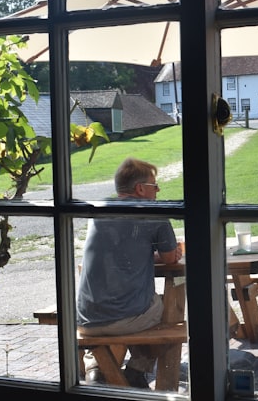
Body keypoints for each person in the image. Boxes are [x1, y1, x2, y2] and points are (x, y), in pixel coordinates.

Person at [76, 157, 181, 388]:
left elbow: (119, 252)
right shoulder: (154, 212)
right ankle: (138, 369)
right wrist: (175, 250)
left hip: (85, 318)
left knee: (136, 302)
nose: (158, 191)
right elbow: (170, 257)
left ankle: (96, 368)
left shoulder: (101, 209)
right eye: (154, 186)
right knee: (166, 308)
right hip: (123, 319)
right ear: (140, 189)